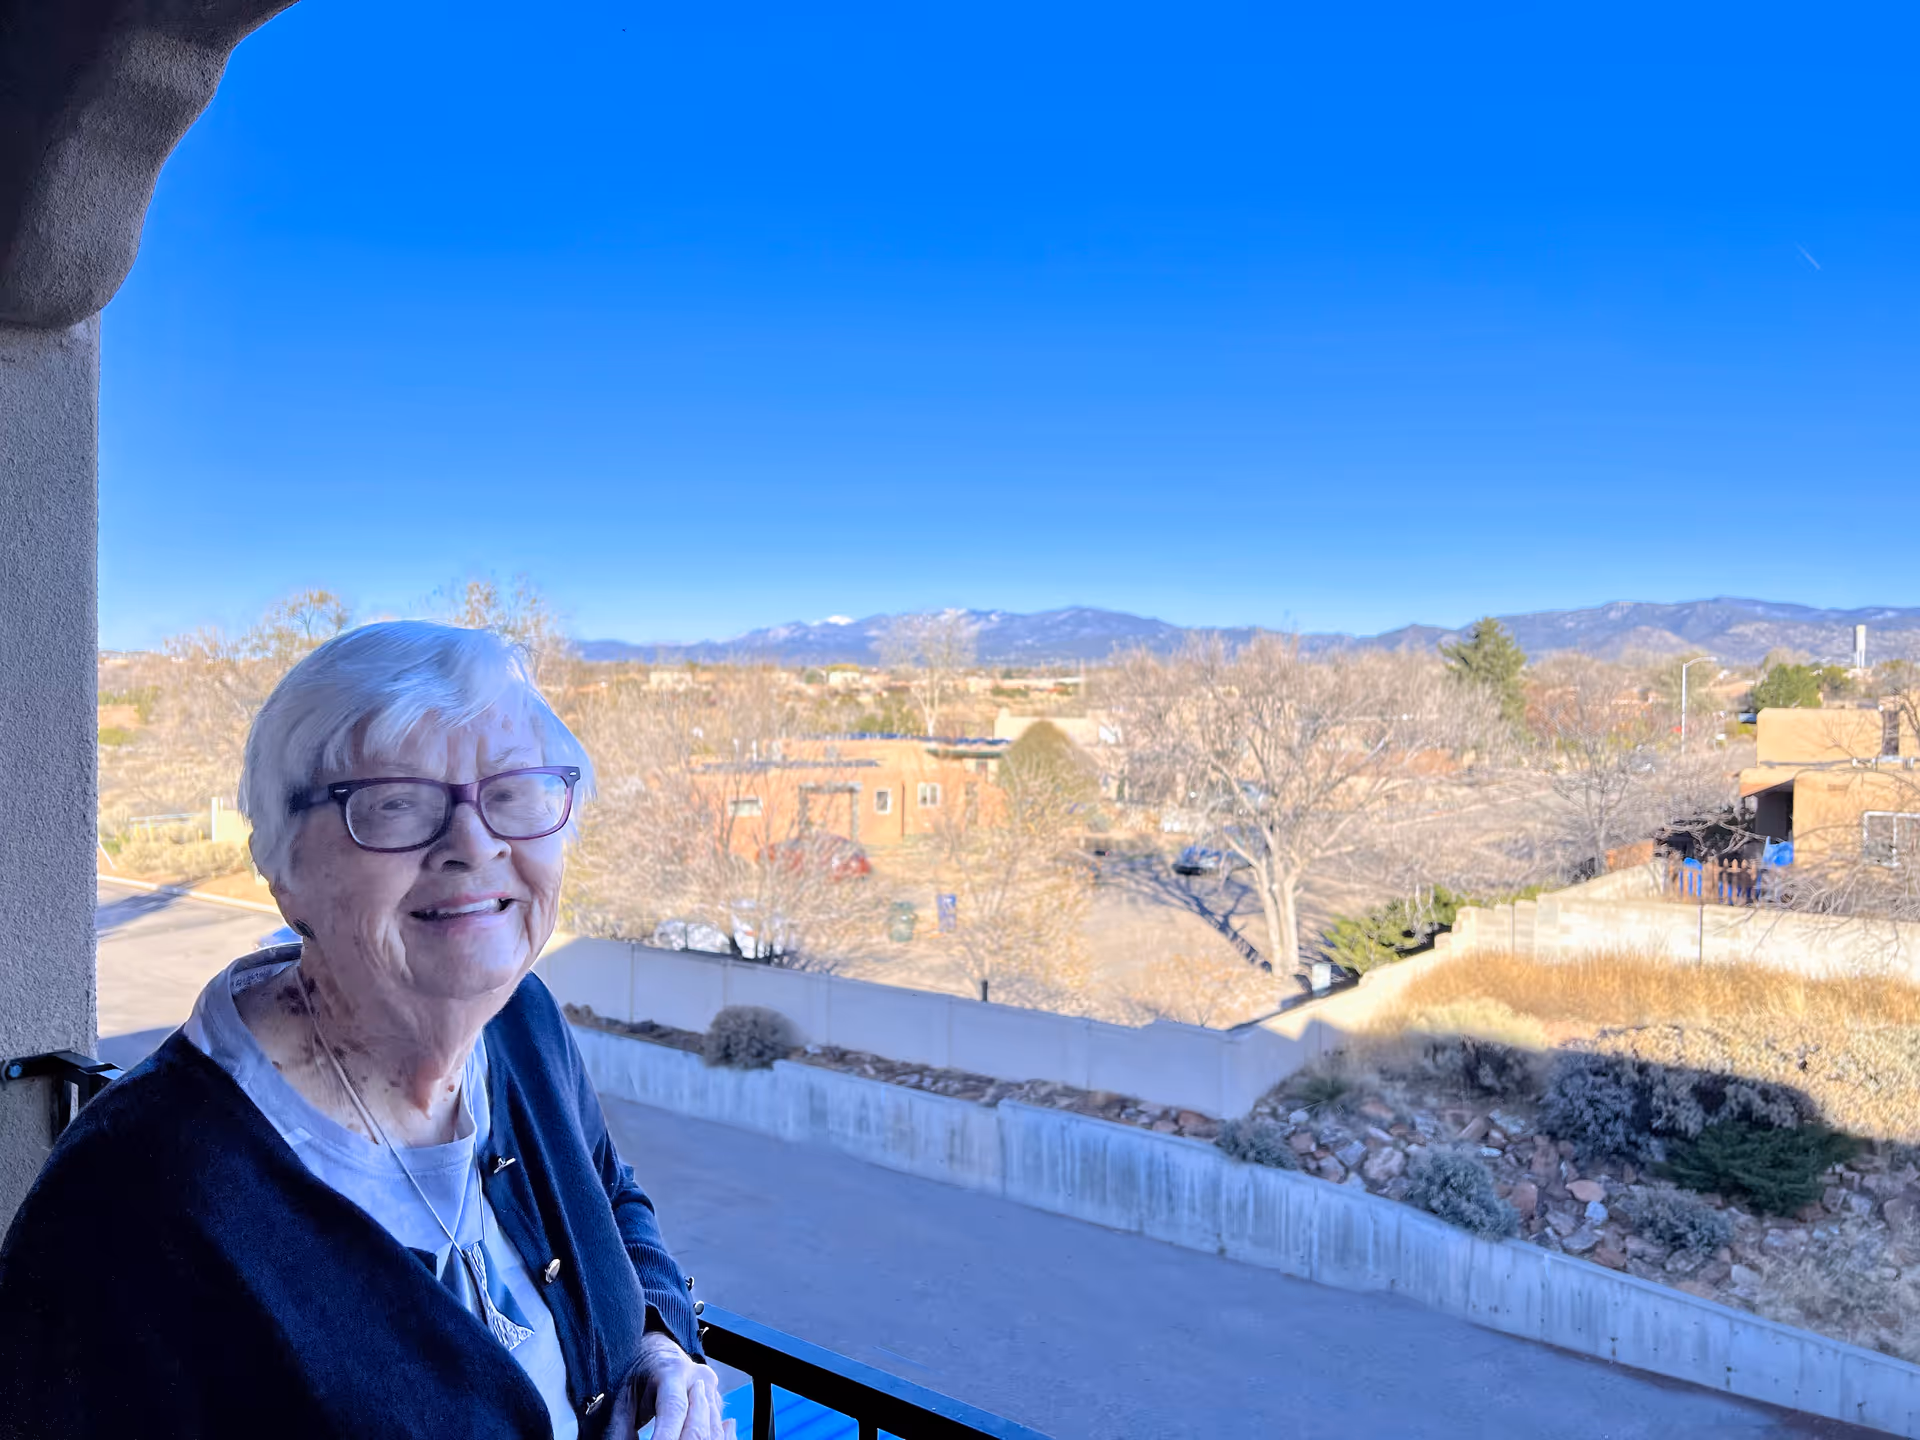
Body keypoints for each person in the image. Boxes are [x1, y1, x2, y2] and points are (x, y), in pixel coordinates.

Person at [0, 622, 731, 1440]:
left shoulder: (522, 1023)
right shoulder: (126, 1201)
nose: (474, 845)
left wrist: (660, 1345)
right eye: (394, 803)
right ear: (285, 871)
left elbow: (611, 1194)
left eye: (514, 794)